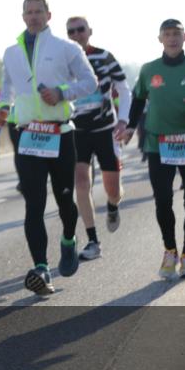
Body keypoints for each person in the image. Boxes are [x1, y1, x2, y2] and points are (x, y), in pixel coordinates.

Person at [0, 0, 98, 296]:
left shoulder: (67, 48)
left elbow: (90, 82)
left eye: (39, 11)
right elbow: (8, 84)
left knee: (65, 200)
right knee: (34, 203)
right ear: (22, 16)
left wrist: (62, 92)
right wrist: (3, 106)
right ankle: (41, 267)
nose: (34, 16)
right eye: (29, 12)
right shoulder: (11, 52)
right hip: (28, 135)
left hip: (60, 134)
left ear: (49, 15)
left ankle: (68, 239)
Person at [124, 19, 185, 280]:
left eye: (176, 33)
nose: (172, 38)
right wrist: (131, 127)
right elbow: (138, 99)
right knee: (163, 200)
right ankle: (170, 250)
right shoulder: (149, 70)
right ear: (160, 39)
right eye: (167, 34)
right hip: (159, 144)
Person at [64, 16, 131, 260]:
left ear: (89, 31)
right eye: (71, 31)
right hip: (77, 131)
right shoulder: (62, 61)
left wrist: (123, 120)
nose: (76, 34)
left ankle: (113, 205)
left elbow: (124, 90)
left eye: (80, 29)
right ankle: (93, 241)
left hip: (106, 130)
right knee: (81, 183)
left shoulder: (104, 57)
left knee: (112, 188)